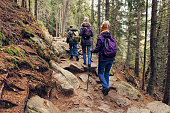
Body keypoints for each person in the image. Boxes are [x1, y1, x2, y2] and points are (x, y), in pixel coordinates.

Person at [91, 21, 117, 96]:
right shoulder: (111, 38)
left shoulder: (100, 37)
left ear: (102, 29)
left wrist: (92, 50)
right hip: (111, 59)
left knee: (100, 73)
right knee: (106, 73)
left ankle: (105, 87)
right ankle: (105, 89)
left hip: (103, 59)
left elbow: (97, 49)